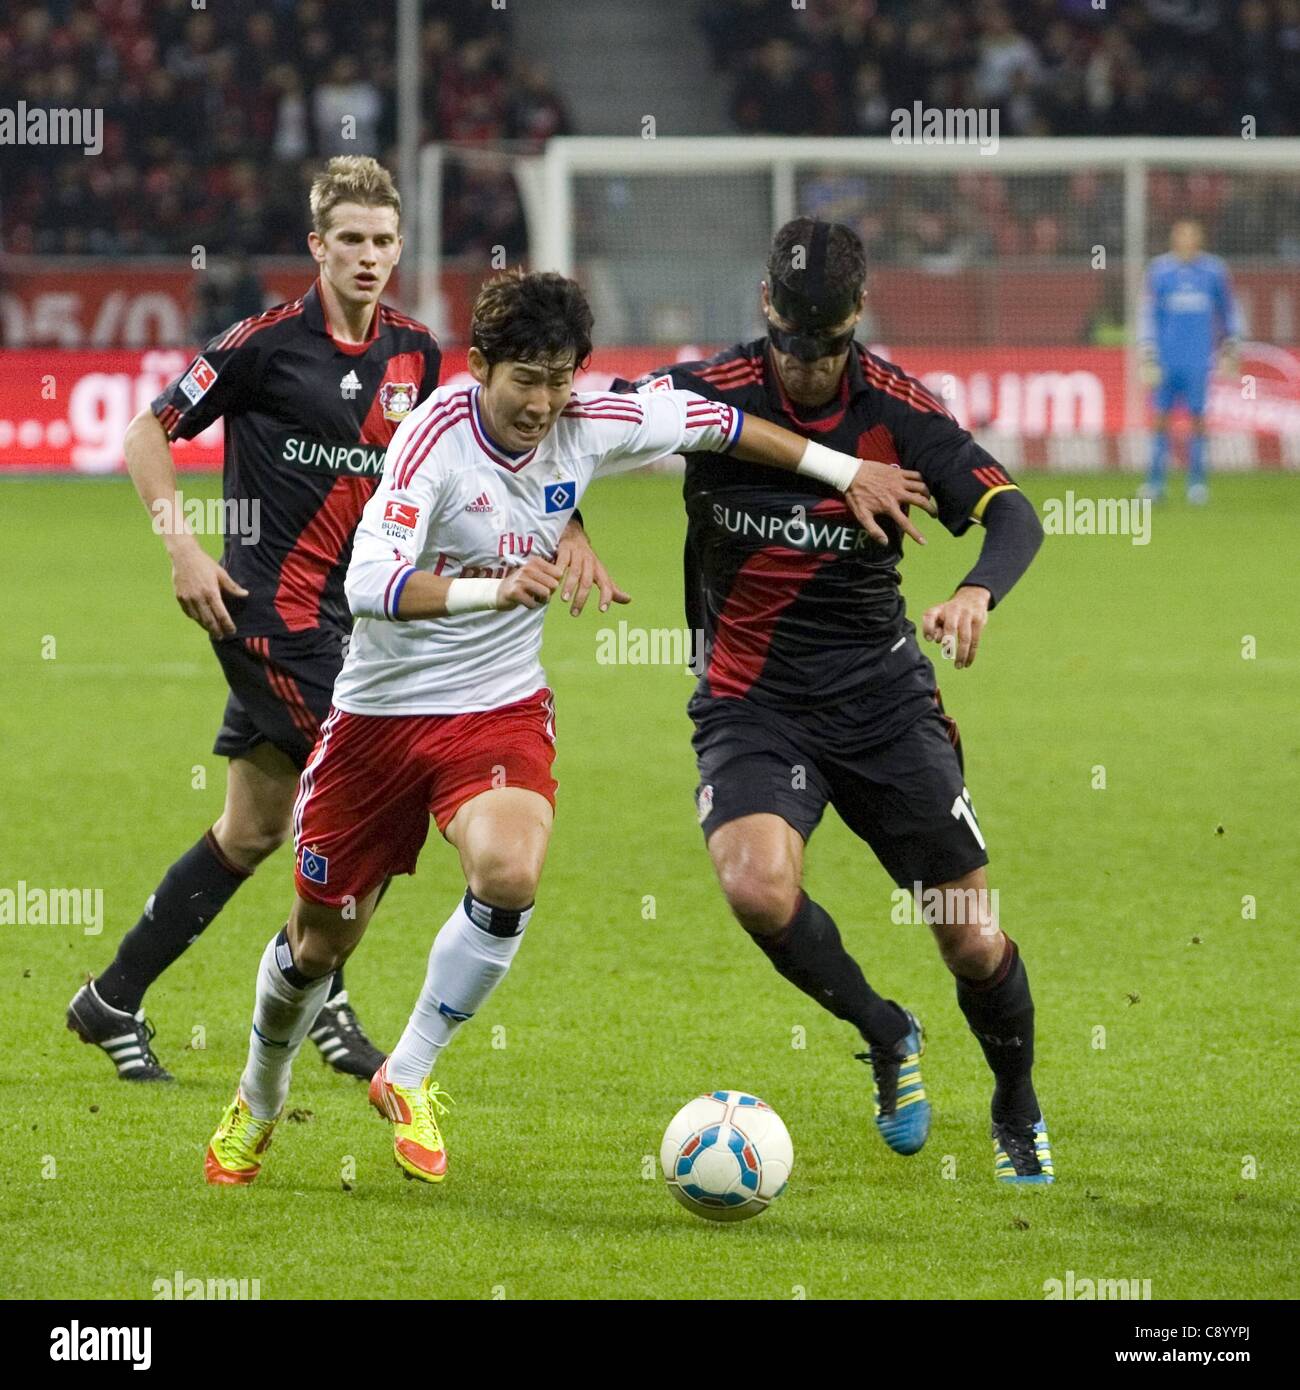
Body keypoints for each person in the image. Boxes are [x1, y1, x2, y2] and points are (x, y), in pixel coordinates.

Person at [202, 267, 932, 1186]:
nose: (543, 403)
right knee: (319, 944)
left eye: (560, 379)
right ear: (479, 368)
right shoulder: (432, 439)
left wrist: (845, 467)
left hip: (498, 708)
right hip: (379, 719)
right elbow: (368, 587)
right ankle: (258, 1098)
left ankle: (411, 1071)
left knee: (509, 870)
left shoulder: (589, 423)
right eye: (525, 381)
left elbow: (728, 425)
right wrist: (495, 588)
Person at [617, 217, 1053, 1184]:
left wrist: (978, 588)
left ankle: (1015, 1103)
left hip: (883, 703)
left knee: (973, 942)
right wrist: (561, 527)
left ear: (857, 317)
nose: (809, 367)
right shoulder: (708, 393)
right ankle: (887, 1031)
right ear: (767, 309)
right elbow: (581, 425)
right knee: (755, 886)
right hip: (751, 702)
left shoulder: (900, 409)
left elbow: (1014, 513)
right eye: (792, 345)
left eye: (829, 346)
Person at [68, 158, 444, 1082]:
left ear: (400, 248)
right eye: (348, 240)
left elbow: (426, 478)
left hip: (353, 624)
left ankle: (110, 999)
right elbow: (145, 430)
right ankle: (321, 1000)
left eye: (382, 241)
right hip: (266, 615)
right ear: (317, 246)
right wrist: (183, 547)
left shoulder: (418, 355)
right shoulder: (265, 343)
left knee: (252, 829)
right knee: (375, 796)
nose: (366, 256)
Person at [1139, 219, 1243, 504]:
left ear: (1200, 239)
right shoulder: (1160, 271)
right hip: (1165, 359)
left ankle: (1197, 483)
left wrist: (1231, 343)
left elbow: (1229, 310)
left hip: (1198, 359)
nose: (1187, 241)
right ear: (1174, 239)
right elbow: (1148, 313)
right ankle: (1155, 483)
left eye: (1192, 236)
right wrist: (1147, 349)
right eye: (1182, 235)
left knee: (1197, 420)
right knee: (1160, 420)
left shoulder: (1213, 271)